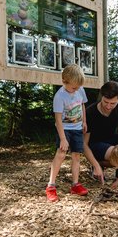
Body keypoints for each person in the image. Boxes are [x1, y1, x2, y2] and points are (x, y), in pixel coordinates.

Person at [46, 64, 89, 202]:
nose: (76, 90)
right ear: (64, 81)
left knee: (76, 155)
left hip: (77, 128)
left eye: (78, 87)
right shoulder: (59, 97)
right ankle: (51, 186)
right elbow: (58, 120)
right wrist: (63, 139)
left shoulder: (80, 89)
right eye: (73, 87)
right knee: (61, 154)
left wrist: (84, 121)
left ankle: (75, 184)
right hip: (64, 129)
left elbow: (82, 104)